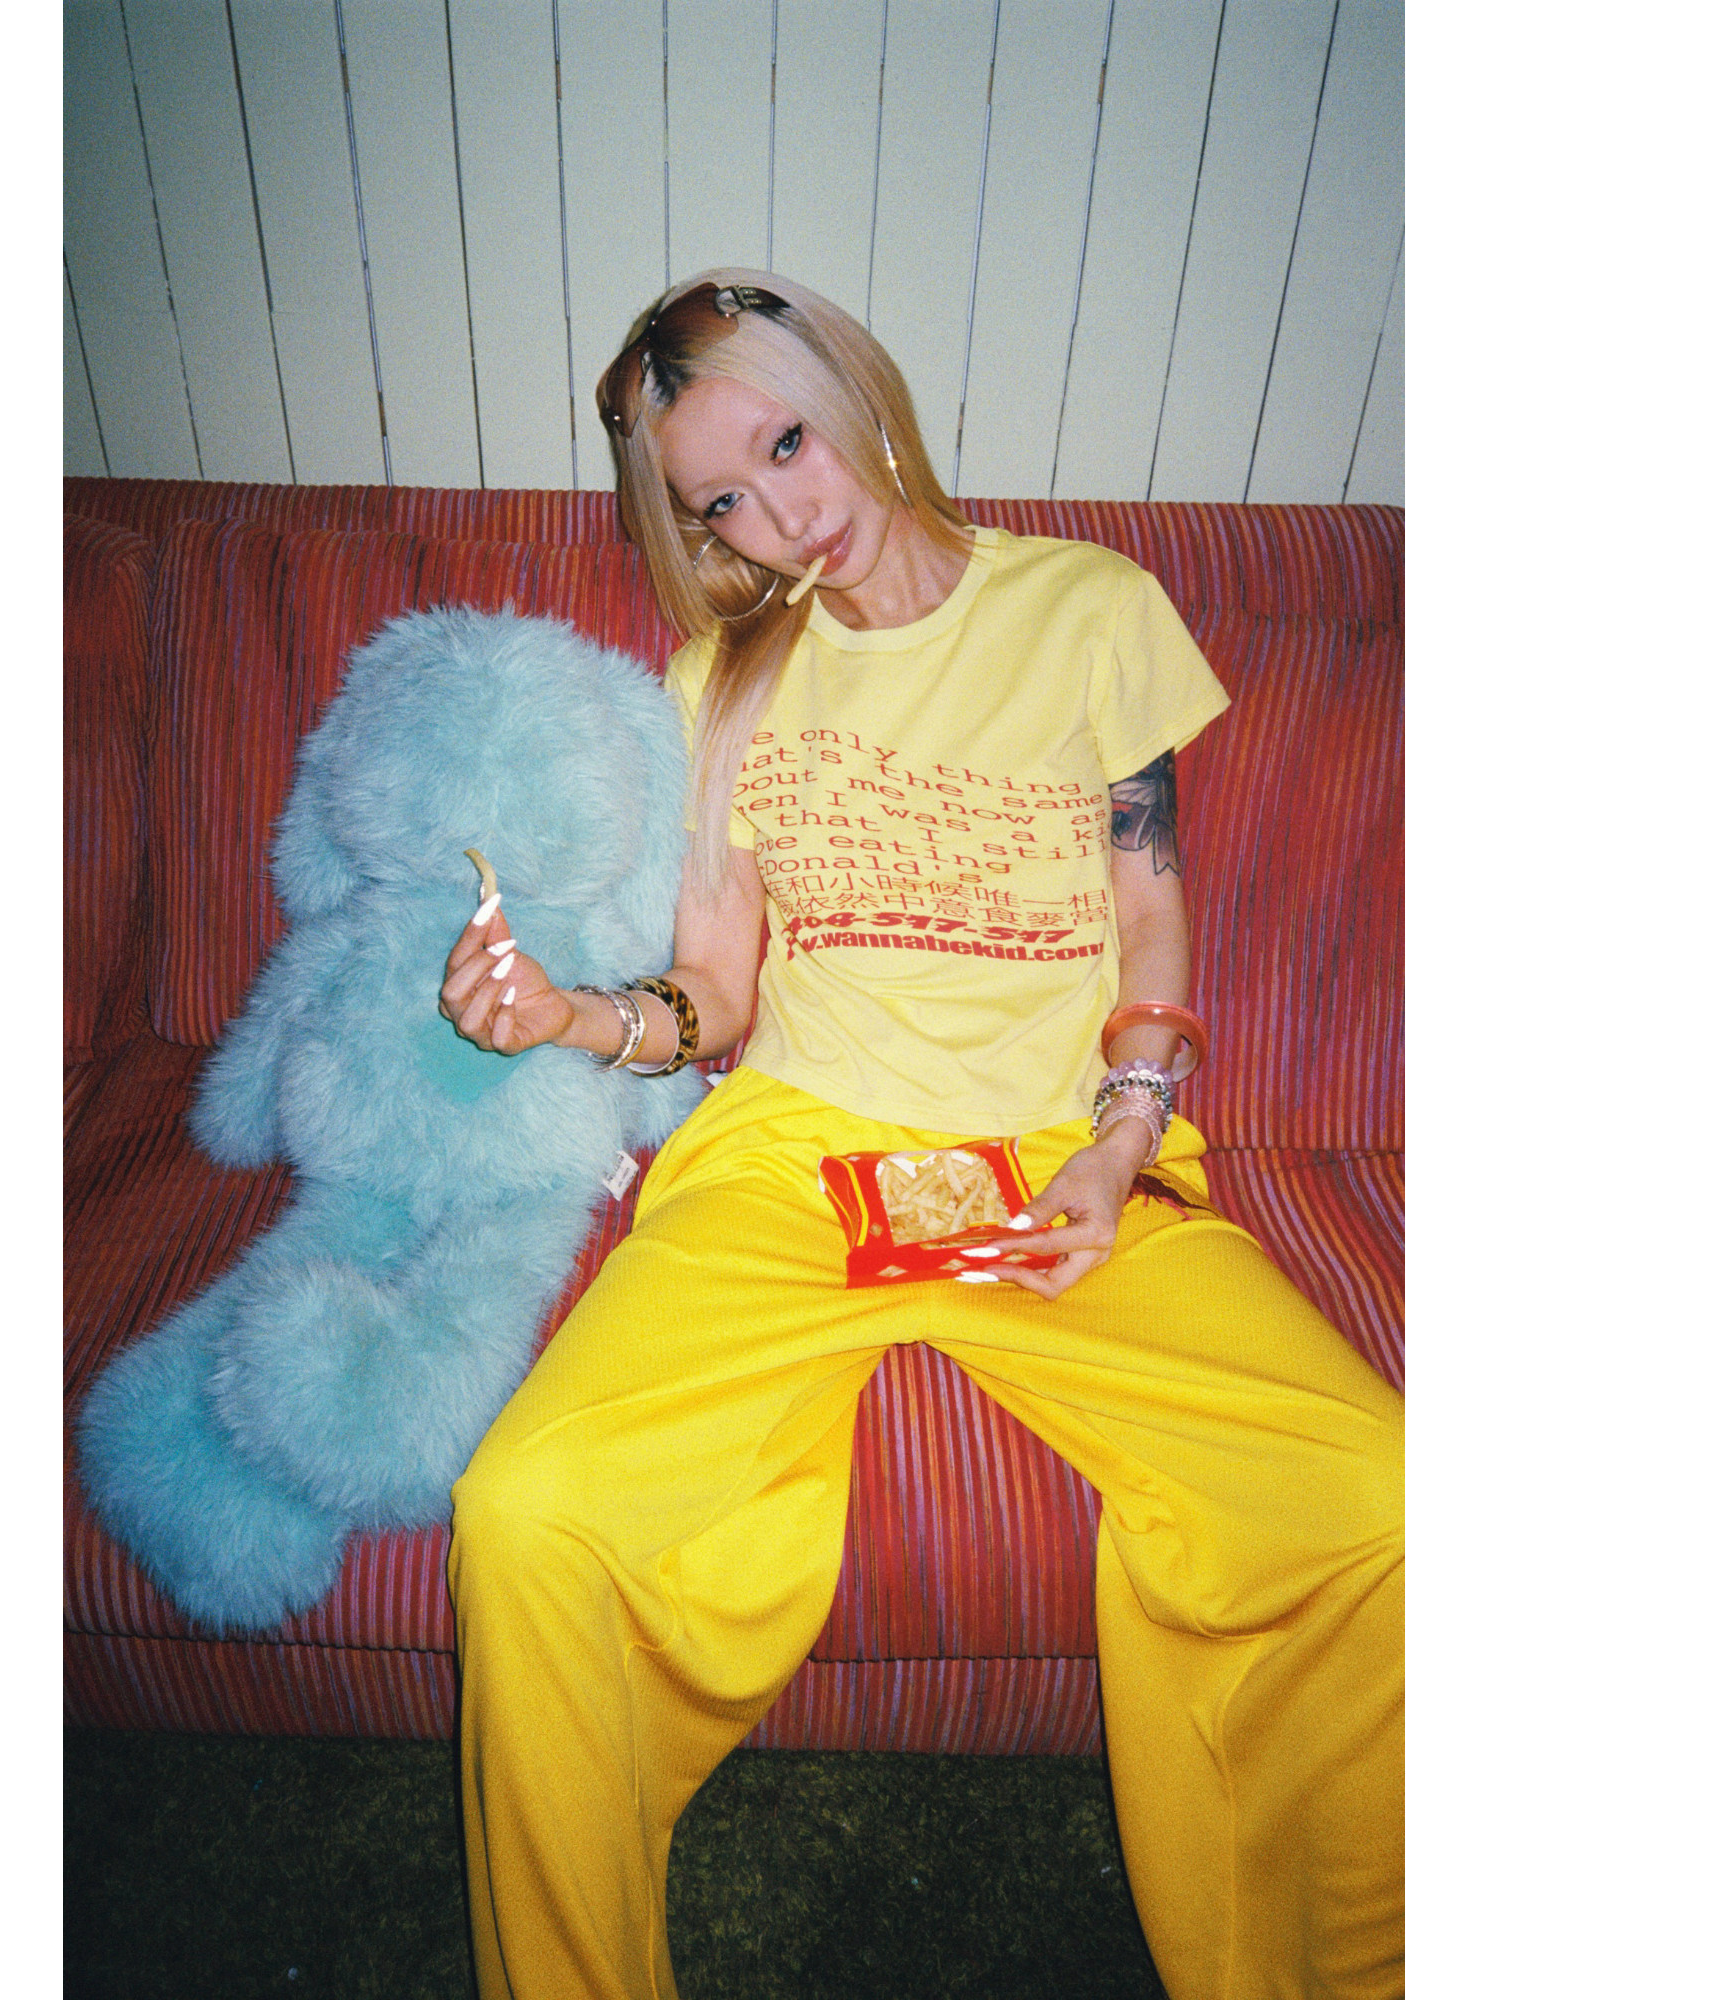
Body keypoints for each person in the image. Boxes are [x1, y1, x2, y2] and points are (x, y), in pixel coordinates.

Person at [437, 270, 1402, 2000]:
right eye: (720, 501)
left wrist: (1121, 1143)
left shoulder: (1090, 607)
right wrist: (565, 1018)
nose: (777, 512)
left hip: (1055, 1165)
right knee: (527, 1509)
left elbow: (1153, 913)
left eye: (785, 443)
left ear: (857, 394)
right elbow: (714, 995)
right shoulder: (721, 685)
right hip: (793, 1166)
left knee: (1379, 1495)